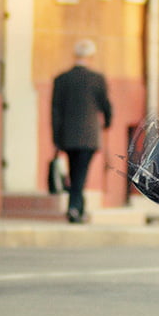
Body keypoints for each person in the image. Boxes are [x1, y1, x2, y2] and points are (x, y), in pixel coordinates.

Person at [51, 39, 112, 224]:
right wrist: (107, 123)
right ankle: (75, 208)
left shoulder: (62, 79)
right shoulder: (97, 79)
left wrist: (56, 136)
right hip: (89, 136)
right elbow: (106, 106)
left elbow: (55, 110)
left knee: (74, 172)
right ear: (91, 57)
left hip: (68, 136)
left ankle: (77, 207)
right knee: (80, 174)